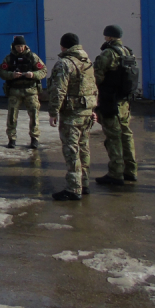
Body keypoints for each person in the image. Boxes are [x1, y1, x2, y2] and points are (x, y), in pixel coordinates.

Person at [48, 33, 98, 201]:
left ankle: (73, 188)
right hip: (86, 112)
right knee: (84, 148)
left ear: (64, 46)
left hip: (72, 114)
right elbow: (93, 88)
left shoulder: (65, 64)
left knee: (71, 150)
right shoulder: (87, 62)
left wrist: (54, 111)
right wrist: (92, 109)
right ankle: (84, 183)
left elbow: (58, 90)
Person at [93, 24, 137, 186]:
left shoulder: (108, 53)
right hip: (124, 101)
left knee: (113, 137)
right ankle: (130, 170)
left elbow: (96, 78)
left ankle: (115, 173)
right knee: (126, 135)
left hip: (110, 101)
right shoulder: (128, 52)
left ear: (109, 37)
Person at [0, 36, 47, 149]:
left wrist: (33, 75)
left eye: (21, 46)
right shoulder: (9, 58)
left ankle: (34, 138)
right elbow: (1, 71)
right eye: (17, 46)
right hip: (15, 91)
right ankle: (12, 138)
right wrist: (12, 75)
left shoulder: (32, 57)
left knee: (34, 115)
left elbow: (43, 70)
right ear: (14, 46)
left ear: (25, 46)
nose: (20, 48)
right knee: (12, 116)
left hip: (31, 91)